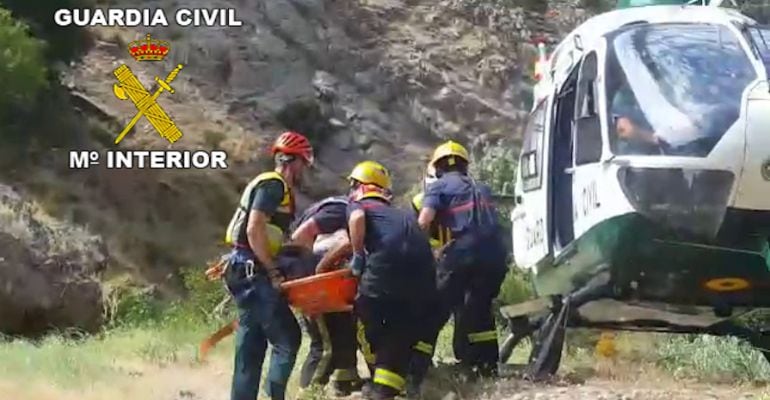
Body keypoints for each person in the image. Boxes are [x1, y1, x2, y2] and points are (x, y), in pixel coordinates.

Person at [317, 160, 437, 400]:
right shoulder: (400, 215)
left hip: (386, 270)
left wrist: (349, 259)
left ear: (359, 186)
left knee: (365, 316)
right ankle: (389, 387)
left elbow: (356, 222)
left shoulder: (360, 204)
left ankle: (380, 381)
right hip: (424, 276)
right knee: (398, 329)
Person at [221, 131, 314, 400]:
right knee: (288, 339)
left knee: (251, 343)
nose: (304, 171)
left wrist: (289, 249)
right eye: (304, 164)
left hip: (242, 267)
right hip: (254, 272)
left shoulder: (269, 185)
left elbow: (263, 233)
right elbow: (254, 229)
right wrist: (273, 271)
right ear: (294, 162)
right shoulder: (274, 185)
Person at [415, 140, 508, 378]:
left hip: (464, 252)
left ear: (437, 168)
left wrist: (418, 249)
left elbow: (424, 221)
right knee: (479, 310)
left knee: (435, 308)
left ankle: (417, 367)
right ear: (465, 166)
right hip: (496, 255)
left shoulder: (438, 187)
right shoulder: (482, 187)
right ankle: (485, 367)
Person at [289, 196, 364, 397]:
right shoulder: (340, 209)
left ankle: (345, 383)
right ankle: (307, 393)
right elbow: (299, 237)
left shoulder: (328, 212)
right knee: (323, 346)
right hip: (314, 286)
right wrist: (317, 272)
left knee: (345, 334)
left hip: (321, 284)